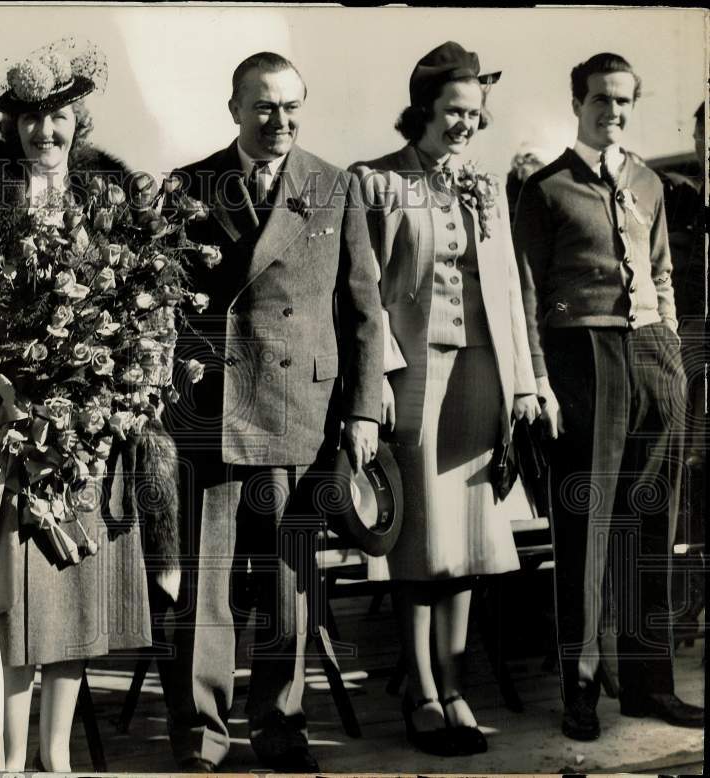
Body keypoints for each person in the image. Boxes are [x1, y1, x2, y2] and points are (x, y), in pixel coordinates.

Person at [0, 40, 152, 772]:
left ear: (78, 117)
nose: (43, 132)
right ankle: (4, 756)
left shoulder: (108, 186)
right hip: (6, 423)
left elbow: (138, 300)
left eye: (57, 116)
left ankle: (55, 758)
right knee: (14, 591)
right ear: (12, 123)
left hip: (91, 424)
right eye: (28, 118)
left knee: (71, 593)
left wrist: (109, 388)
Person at [161, 51, 384, 773]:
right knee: (208, 587)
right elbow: (160, 304)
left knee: (290, 584)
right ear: (233, 109)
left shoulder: (333, 183)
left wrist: (363, 411)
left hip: (301, 407)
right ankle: (203, 732)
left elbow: (363, 310)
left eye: (291, 106)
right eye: (263, 106)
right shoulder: (189, 185)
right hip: (215, 409)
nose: (279, 120)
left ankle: (281, 727)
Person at [351, 41, 541, 757]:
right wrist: (377, 385)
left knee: (469, 546)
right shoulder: (377, 181)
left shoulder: (485, 184)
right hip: (414, 382)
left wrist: (522, 382)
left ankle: (454, 683)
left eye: (473, 112)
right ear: (424, 108)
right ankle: (422, 692)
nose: (465, 124)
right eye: (453, 111)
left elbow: (513, 297)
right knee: (420, 546)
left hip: (482, 378)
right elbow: (362, 294)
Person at [513, 52, 704, 741]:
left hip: (653, 357)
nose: (613, 111)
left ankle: (651, 686)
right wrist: (539, 381)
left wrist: (673, 355)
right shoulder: (544, 189)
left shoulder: (650, 182)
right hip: (580, 361)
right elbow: (527, 297)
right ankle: (581, 690)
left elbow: (661, 274)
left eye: (624, 101)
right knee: (586, 535)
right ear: (578, 102)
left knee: (652, 529)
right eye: (601, 99)